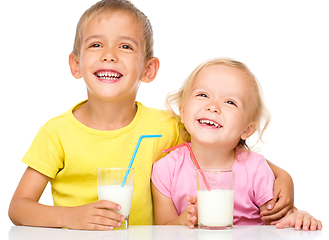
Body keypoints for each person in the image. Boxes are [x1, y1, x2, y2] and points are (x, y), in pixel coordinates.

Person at [8, 0, 294, 231]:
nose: (109, 55)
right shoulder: (57, 134)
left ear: (149, 69)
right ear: (75, 64)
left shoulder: (165, 125)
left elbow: (223, 144)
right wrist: (69, 218)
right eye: (96, 45)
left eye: (125, 46)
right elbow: (18, 208)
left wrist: (282, 175)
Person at [151, 57, 322, 231]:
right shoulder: (165, 170)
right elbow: (162, 230)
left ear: (247, 130)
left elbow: (277, 222)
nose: (213, 106)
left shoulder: (255, 169)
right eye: (203, 95)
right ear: (183, 110)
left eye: (230, 102)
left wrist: (299, 217)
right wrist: (182, 221)